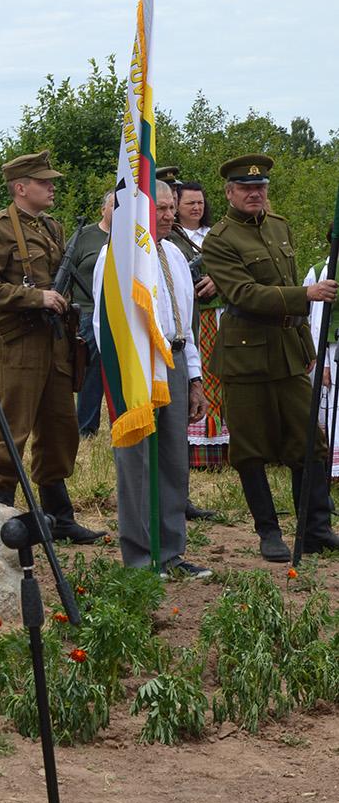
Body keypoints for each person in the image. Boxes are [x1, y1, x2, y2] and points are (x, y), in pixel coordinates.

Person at [202, 155, 339, 562]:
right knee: (250, 447)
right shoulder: (220, 239)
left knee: (310, 441)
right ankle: (268, 532)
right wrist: (305, 296)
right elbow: (242, 293)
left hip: (288, 351)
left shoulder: (279, 226)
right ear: (229, 193)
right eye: (246, 188)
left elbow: (284, 283)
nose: (255, 194)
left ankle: (315, 529)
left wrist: (307, 348)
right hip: (246, 355)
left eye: (260, 188)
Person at [0, 149, 105, 542]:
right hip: (19, 343)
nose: (51, 187)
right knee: (11, 429)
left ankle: (59, 516)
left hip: (56, 342)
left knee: (60, 428)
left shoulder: (52, 227)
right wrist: (36, 298)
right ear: (21, 188)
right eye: (44, 182)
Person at [93, 180, 211, 578]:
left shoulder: (176, 254)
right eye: (160, 209)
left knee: (174, 463)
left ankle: (172, 553)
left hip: (175, 364)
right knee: (137, 465)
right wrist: (125, 376)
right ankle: (141, 559)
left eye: (170, 208)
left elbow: (185, 323)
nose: (169, 215)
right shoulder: (117, 257)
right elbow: (103, 324)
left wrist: (195, 378)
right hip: (137, 369)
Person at [168, 181, 223, 512]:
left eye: (200, 202)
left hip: (216, 316)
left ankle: (218, 450)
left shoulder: (214, 235)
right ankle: (196, 451)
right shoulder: (170, 241)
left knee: (215, 378)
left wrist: (218, 279)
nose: (195, 208)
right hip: (185, 323)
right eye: (189, 203)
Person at [71, 190, 114, 438]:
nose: (116, 210)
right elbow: (65, 273)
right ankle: (86, 428)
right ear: (102, 210)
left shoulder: (134, 236)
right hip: (89, 313)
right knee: (91, 374)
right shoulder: (84, 236)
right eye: (112, 205)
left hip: (123, 313)